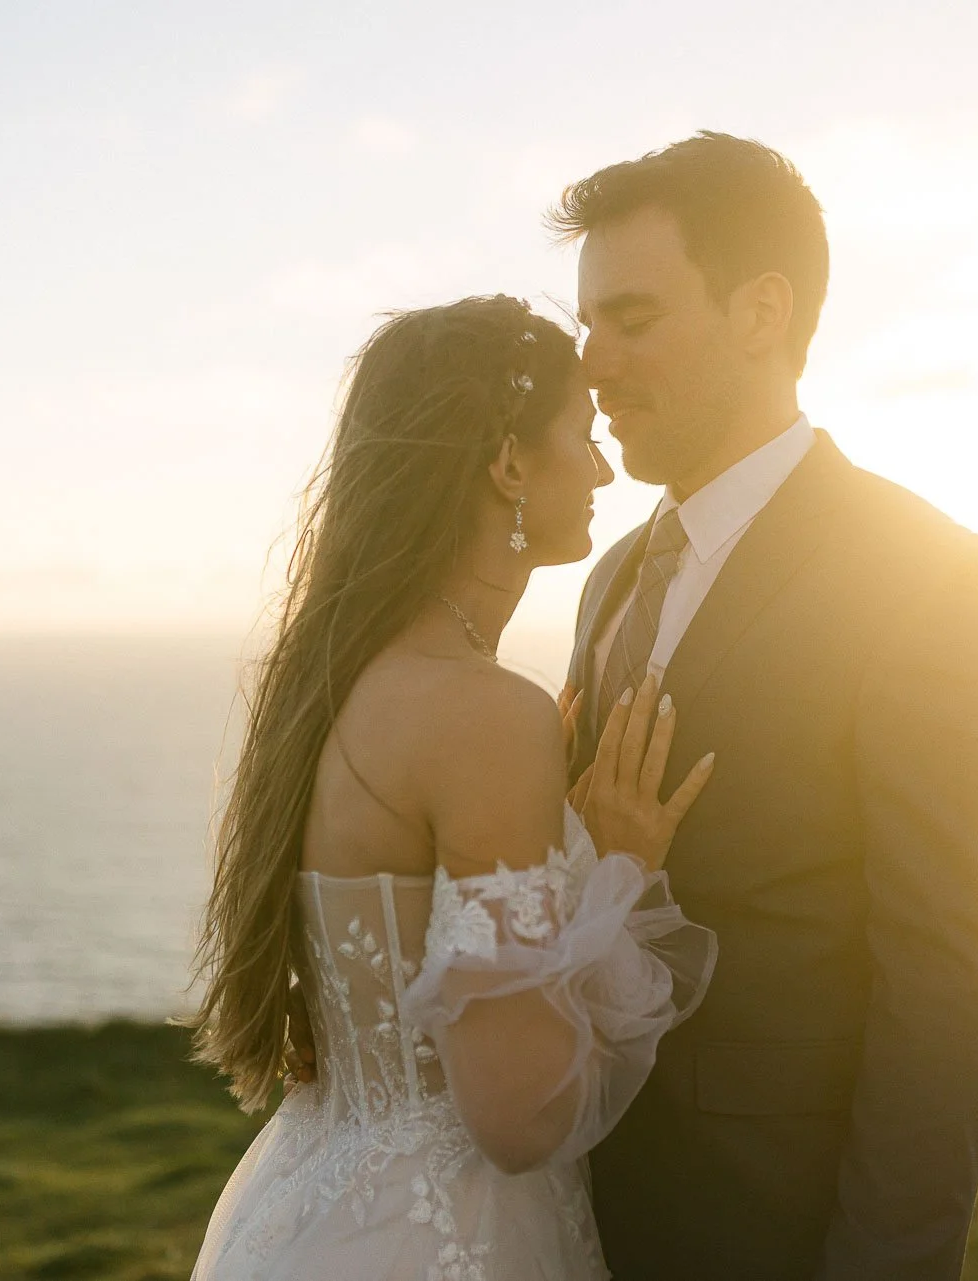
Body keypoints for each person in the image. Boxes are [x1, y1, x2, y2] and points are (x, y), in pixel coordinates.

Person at [553, 132, 978, 1280]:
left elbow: (953, 984)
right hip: (582, 1215)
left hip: (776, 1229)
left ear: (761, 312)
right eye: (587, 326)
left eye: (630, 319)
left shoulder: (934, 577)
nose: (591, 365)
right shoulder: (615, 573)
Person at [183, 294, 720, 1281]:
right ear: (509, 463)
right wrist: (613, 871)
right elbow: (518, 1115)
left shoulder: (331, 679)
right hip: (446, 1243)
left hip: (310, 1211)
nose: (603, 469)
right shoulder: (481, 715)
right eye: (580, 433)